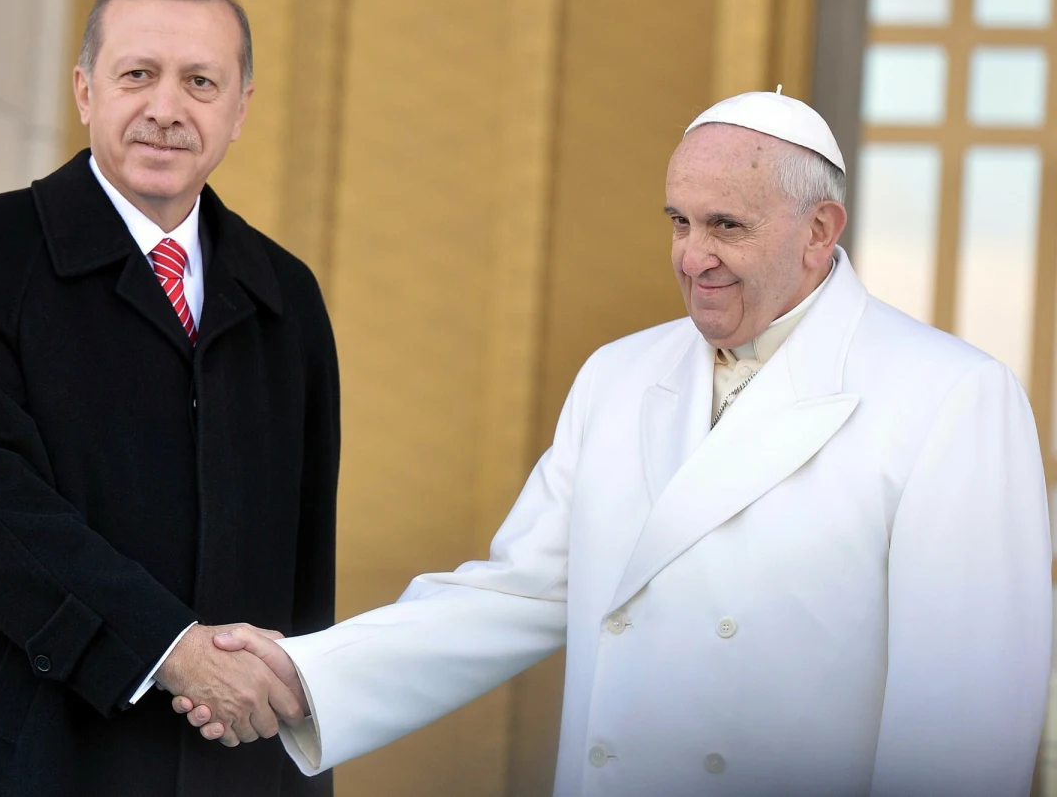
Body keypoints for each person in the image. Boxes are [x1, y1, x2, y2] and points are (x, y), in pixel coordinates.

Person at [175, 91, 1052, 796]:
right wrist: (303, 675)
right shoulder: (619, 376)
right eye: (679, 221)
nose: (690, 255)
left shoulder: (953, 398)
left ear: (820, 232)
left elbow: (965, 724)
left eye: (727, 227)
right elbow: (518, 593)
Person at [0, 0, 335, 797]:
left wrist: (300, 747)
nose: (167, 107)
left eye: (201, 82)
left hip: (228, 769)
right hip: (23, 758)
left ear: (239, 109)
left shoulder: (286, 297)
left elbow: (304, 574)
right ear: (85, 91)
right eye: (138, 75)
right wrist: (174, 651)